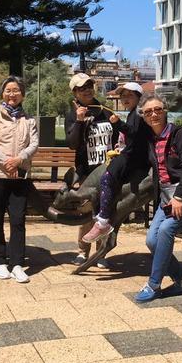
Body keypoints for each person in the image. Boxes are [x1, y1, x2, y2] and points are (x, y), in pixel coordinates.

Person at [135, 94, 182, 303]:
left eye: (157, 109)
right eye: (148, 112)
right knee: (151, 240)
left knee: (166, 230)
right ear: (143, 116)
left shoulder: (179, 134)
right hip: (166, 196)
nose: (153, 114)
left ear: (165, 110)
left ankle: (154, 284)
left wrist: (179, 197)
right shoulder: (150, 138)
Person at [0, 76, 39, 283]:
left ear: (22, 94)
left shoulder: (29, 120)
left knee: (18, 220)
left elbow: (34, 144)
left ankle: (17, 264)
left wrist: (19, 160)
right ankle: (0, 262)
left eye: (16, 90)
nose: (12, 94)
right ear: (2, 93)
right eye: (8, 90)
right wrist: (7, 162)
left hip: (19, 176)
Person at [82, 82, 150, 243]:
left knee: (107, 178)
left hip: (135, 158)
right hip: (131, 154)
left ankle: (103, 220)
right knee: (110, 173)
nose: (125, 99)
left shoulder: (138, 113)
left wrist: (117, 123)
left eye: (130, 95)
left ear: (139, 98)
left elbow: (133, 133)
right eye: (123, 96)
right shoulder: (134, 113)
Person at [65, 72, 119, 267]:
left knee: (106, 211)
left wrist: (117, 127)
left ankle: (101, 252)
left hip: (108, 169)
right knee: (87, 212)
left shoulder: (104, 110)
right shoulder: (72, 114)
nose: (87, 90)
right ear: (75, 92)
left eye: (89, 86)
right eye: (82, 88)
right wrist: (79, 121)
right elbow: (72, 144)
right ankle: (82, 251)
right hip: (86, 172)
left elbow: (116, 138)